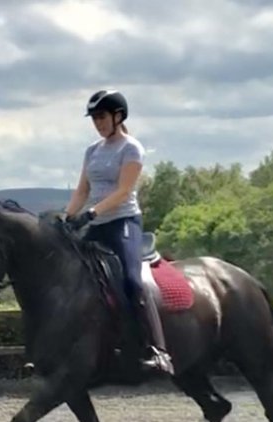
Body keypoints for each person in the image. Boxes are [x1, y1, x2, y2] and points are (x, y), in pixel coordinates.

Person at [63, 89, 174, 375]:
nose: (98, 123)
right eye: (95, 118)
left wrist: (92, 212)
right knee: (65, 275)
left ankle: (156, 349)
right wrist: (68, 217)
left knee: (131, 281)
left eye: (101, 117)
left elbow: (124, 191)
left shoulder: (131, 148)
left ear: (118, 116)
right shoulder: (92, 151)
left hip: (123, 222)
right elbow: (82, 190)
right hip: (96, 223)